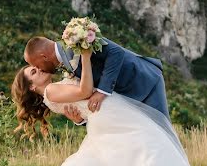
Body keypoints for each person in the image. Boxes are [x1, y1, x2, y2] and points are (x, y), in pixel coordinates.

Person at [10, 48, 207, 166]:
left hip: (111, 114)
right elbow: (85, 90)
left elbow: (79, 112)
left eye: (36, 67)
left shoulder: (54, 91)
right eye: (33, 72)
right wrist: (86, 58)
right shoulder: (51, 91)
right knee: (153, 146)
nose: (39, 69)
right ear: (32, 87)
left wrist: (77, 119)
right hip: (110, 118)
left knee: (145, 151)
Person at [23, 35, 169, 125]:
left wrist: (102, 91)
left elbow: (116, 52)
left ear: (44, 57)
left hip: (142, 81)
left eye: (36, 65)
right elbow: (87, 102)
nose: (40, 69)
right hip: (123, 104)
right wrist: (80, 120)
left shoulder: (76, 37)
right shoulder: (62, 71)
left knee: (162, 134)